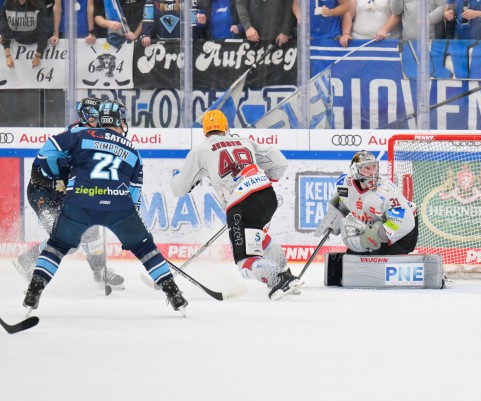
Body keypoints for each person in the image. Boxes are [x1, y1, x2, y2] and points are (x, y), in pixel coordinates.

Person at [23, 100, 188, 314]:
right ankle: (173, 293)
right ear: (120, 121)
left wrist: (56, 175)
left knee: (57, 246)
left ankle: (34, 290)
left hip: (80, 202)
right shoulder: (132, 150)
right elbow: (135, 194)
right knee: (146, 249)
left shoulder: (80, 135)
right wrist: (133, 228)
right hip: (119, 207)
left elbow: (48, 151)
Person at [170, 109, 302, 300]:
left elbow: (179, 189)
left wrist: (186, 181)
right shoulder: (244, 141)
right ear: (226, 127)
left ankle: (280, 279)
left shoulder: (201, 150)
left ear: (205, 131)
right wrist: (264, 180)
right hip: (267, 196)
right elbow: (280, 162)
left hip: (241, 204)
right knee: (260, 238)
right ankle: (287, 274)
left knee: (246, 262)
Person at [14, 97, 126, 290]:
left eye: (99, 119)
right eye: (92, 119)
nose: (97, 123)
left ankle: (99, 273)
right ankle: (28, 261)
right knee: (68, 240)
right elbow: (45, 157)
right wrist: (57, 177)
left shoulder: (99, 136)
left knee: (91, 229)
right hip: (44, 192)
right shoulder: (75, 134)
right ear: (83, 117)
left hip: (67, 194)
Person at [314, 150, 418, 255]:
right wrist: (334, 217)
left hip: (404, 233)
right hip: (376, 225)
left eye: (374, 167)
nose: (372, 172)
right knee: (353, 256)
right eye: (367, 168)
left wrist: (373, 236)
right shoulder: (345, 183)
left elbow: (404, 221)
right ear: (355, 170)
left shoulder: (387, 192)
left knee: (375, 253)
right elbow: (342, 199)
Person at [1, 0, 49, 68]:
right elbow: (5, 30)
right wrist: (8, 56)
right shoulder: (7, 3)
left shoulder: (39, 4)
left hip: (35, 46)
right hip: (15, 46)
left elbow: (43, 31)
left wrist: (38, 55)